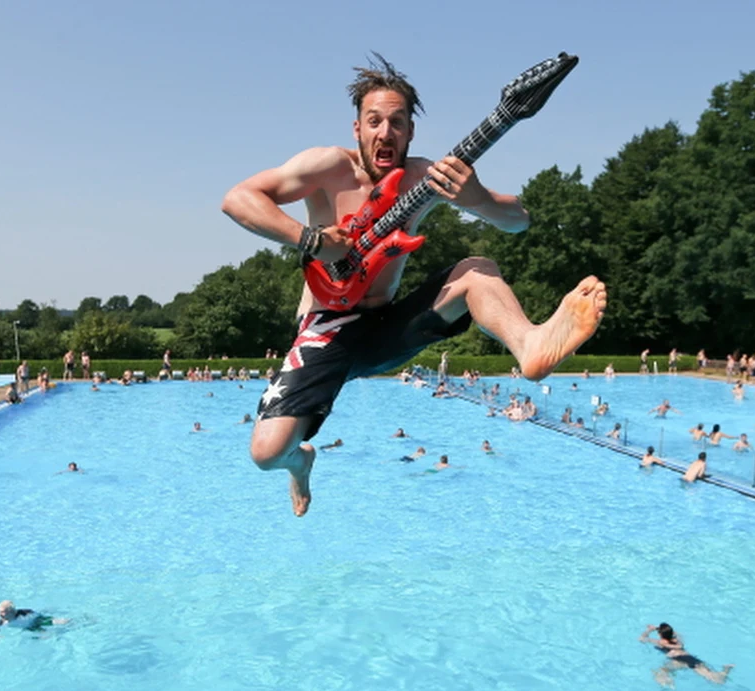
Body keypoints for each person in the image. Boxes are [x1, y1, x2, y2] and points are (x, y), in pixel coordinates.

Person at [224, 56, 606, 516]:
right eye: (375, 121)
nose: (386, 132)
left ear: (410, 133)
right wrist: (311, 240)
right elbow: (238, 199)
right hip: (326, 327)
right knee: (266, 455)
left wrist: (478, 199)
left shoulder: (425, 177)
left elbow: (518, 221)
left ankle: (531, 344)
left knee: (476, 268)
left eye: (398, 122)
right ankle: (299, 463)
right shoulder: (326, 166)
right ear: (357, 128)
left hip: (387, 324)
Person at [640, 623, 733, 688]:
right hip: (691, 659)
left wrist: (649, 630)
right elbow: (675, 633)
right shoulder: (678, 640)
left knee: (661, 671)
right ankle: (725, 671)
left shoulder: (660, 642)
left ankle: (668, 682)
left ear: (660, 634)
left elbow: (642, 638)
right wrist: (659, 628)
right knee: (715, 679)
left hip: (678, 660)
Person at [0, 600, 69, 642]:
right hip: (29, 627)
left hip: (36, 620)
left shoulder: (23, 614)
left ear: (12, 612)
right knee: (44, 636)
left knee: (61, 622)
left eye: (3, 612)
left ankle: (72, 621)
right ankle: (56, 634)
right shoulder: (3, 621)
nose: (0, 615)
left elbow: (35, 613)